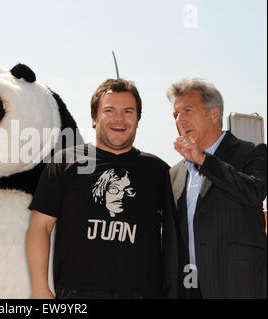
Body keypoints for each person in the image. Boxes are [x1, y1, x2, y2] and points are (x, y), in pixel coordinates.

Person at [26, 79, 178, 299]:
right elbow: (40, 227)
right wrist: (39, 287)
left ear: (137, 119)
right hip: (77, 294)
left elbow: (177, 235)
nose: (119, 119)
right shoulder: (65, 162)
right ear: (94, 119)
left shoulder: (159, 171)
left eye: (128, 111)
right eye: (109, 110)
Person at [167, 78, 267, 299]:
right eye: (175, 114)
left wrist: (204, 160)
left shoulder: (251, 153)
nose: (179, 120)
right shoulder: (174, 174)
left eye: (187, 110)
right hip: (189, 289)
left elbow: (253, 191)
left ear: (213, 114)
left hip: (239, 288)